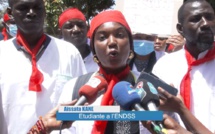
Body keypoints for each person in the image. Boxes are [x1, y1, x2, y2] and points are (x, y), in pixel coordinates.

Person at [0, 0, 86, 133]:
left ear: (44, 10)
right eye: (23, 8)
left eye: (37, 7)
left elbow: (83, 106)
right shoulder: (2, 54)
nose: (31, 13)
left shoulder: (69, 53)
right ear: (11, 13)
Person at [152, 0, 215, 132]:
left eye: (209, 17)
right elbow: (155, 115)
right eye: (196, 19)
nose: (206, 24)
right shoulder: (164, 66)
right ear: (181, 29)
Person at [59, 8, 99, 73]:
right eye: (69, 26)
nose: (76, 30)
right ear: (61, 32)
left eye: (80, 25)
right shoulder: (54, 55)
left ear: (87, 28)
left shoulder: (98, 52)